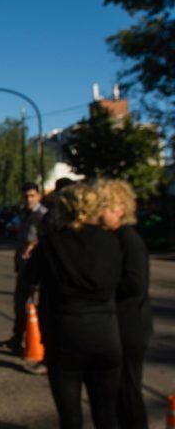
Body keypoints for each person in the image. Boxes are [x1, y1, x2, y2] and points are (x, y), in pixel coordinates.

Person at [24, 183, 122, 428]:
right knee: (106, 412)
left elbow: (28, 279)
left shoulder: (51, 244)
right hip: (105, 333)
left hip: (64, 333)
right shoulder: (112, 242)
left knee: (70, 415)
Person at [97, 180, 152, 429]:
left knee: (128, 391)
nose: (99, 213)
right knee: (117, 392)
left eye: (104, 207)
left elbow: (136, 284)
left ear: (120, 208)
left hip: (129, 326)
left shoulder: (129, 240)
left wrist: (101, 287)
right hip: (116, 324)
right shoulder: (112, 237)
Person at [5, 182, 48, 354]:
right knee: (19, 302)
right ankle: (17, 337)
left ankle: (37, 341)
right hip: (23, 266)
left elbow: (47, 237)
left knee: (35, 305)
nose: (29, 199)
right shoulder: (25, 213)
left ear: (38, 196)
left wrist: (34, 245)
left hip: (37, 267)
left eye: (32, 195)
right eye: (26, 196)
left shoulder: (43, 215)